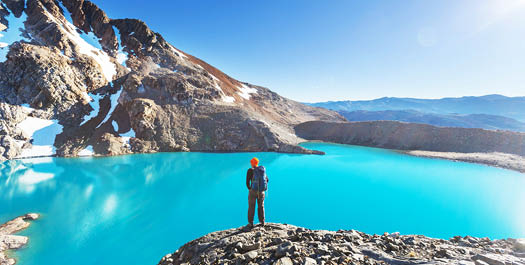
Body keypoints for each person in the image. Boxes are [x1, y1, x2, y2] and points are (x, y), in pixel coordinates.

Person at [246, 157, 268, 228]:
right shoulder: (262, 170)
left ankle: (251, 223)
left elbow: (247, 183)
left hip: (253, 191)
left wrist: (250, 189)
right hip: (261, 192)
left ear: (252, 163)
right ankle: (262, 222)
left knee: (251, 207)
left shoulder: (250, 170)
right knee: (261, 206)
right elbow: (267, 180)